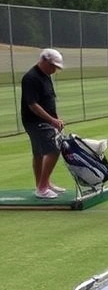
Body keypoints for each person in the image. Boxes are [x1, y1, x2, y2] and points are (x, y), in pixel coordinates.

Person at [21, 48, 66, 199]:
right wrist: (51, 120)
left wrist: (56, 119)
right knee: (54, 150)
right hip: (35, 122)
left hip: (45, 121)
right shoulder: (31, 78)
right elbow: (33, 105)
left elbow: (49, 100)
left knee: (39, 153)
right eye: (53, 66)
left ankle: (43, 184)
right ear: (44, 61)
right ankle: (42, 187)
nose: (55, 70)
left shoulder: (46, 76)